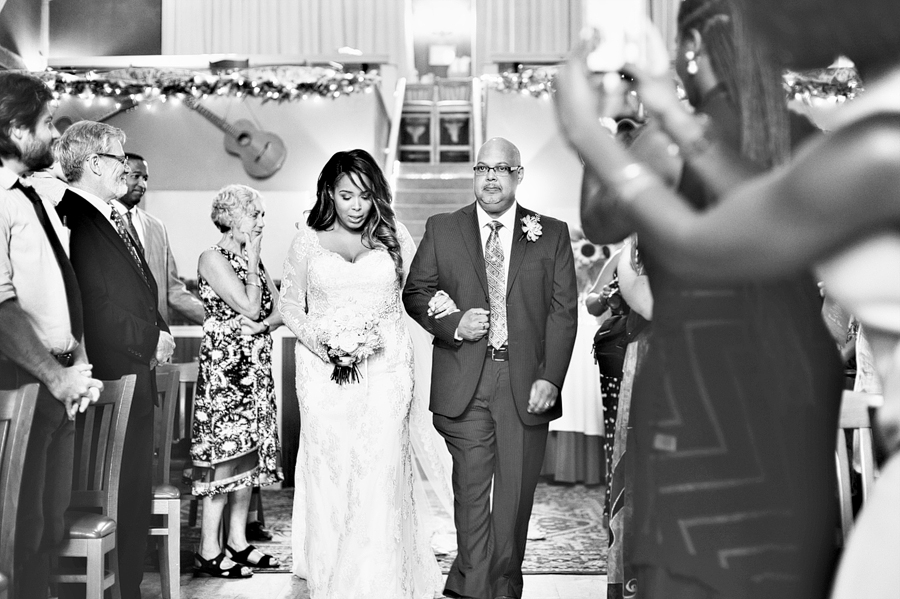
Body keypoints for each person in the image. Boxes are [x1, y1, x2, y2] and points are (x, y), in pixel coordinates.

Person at [555, 0, 900, 596]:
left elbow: (703, 243)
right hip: (795, 373)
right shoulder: (831, 136)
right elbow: (773, 206)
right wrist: (682, 123)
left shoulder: (878, 145)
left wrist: (592, 133)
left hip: (705, 384)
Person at [404, 137, 579, 599]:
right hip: (466, 378)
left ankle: (493, 583)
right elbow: (415, 293)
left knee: (514, 502)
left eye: (502, 168)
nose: (491, 177)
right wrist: (454, 323)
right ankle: (481, 589)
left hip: (525, 383)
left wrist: (551, 377)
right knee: (471, 493)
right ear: (475, 175)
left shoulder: (552, 232)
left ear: (519, 176)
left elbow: (563, 312)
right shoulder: (443, 228)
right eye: (483, 168)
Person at [280, 149, 451, 598]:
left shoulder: (395, 237)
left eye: (365, 195)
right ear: (328, 195)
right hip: (321, 372)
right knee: (332, 463)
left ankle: (379, 574)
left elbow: (417, 293)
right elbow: (290, 304)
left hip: (388, 367)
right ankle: (332, 564)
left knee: (381, 463)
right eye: (346, 196)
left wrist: (442, 309)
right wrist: (324, 343)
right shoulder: (308, 240)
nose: (356, 206)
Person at [55, 120, 176, 599]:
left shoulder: (110, 216)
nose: (127, 169)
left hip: (132, 373)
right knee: (123, 495)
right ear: (94, 164)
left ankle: (128, 586)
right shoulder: (74, 217)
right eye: (119, 159)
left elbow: (142, 291)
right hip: (112, 374)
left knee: (133, 495)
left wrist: (160, 332)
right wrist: (149, 341)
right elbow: (94, 303)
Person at [0, 71, 102, 599]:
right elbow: (1, 303)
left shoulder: (31, 192)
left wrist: (76, 362)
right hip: (23, 377)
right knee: (17, 527)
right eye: (45, 123)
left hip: (55, 377)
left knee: (49, 521)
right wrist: (53, 375)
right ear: (17, 130)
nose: (55, 134)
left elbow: (61, 282)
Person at [190, 183, 284, 578]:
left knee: (247, 457)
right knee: (225, 456)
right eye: (255, 214)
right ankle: (208, 548)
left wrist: (261, 327)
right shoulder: (212, 257)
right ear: (231, 217)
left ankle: (238, 541)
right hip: (224, 371)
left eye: (262, 215)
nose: (262, 222)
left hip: (254, 366)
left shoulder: (252, 261)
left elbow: (281, 309)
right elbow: (245, 303)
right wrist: (255, 259)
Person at [113, 153, 205, 325]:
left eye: (145, 178)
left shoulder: (157, 227)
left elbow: (173, 290)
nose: (143, 184)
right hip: (118, 333)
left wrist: (218, 320)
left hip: (157, 336)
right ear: (118, 176)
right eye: (136, 177)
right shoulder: (102, 221)